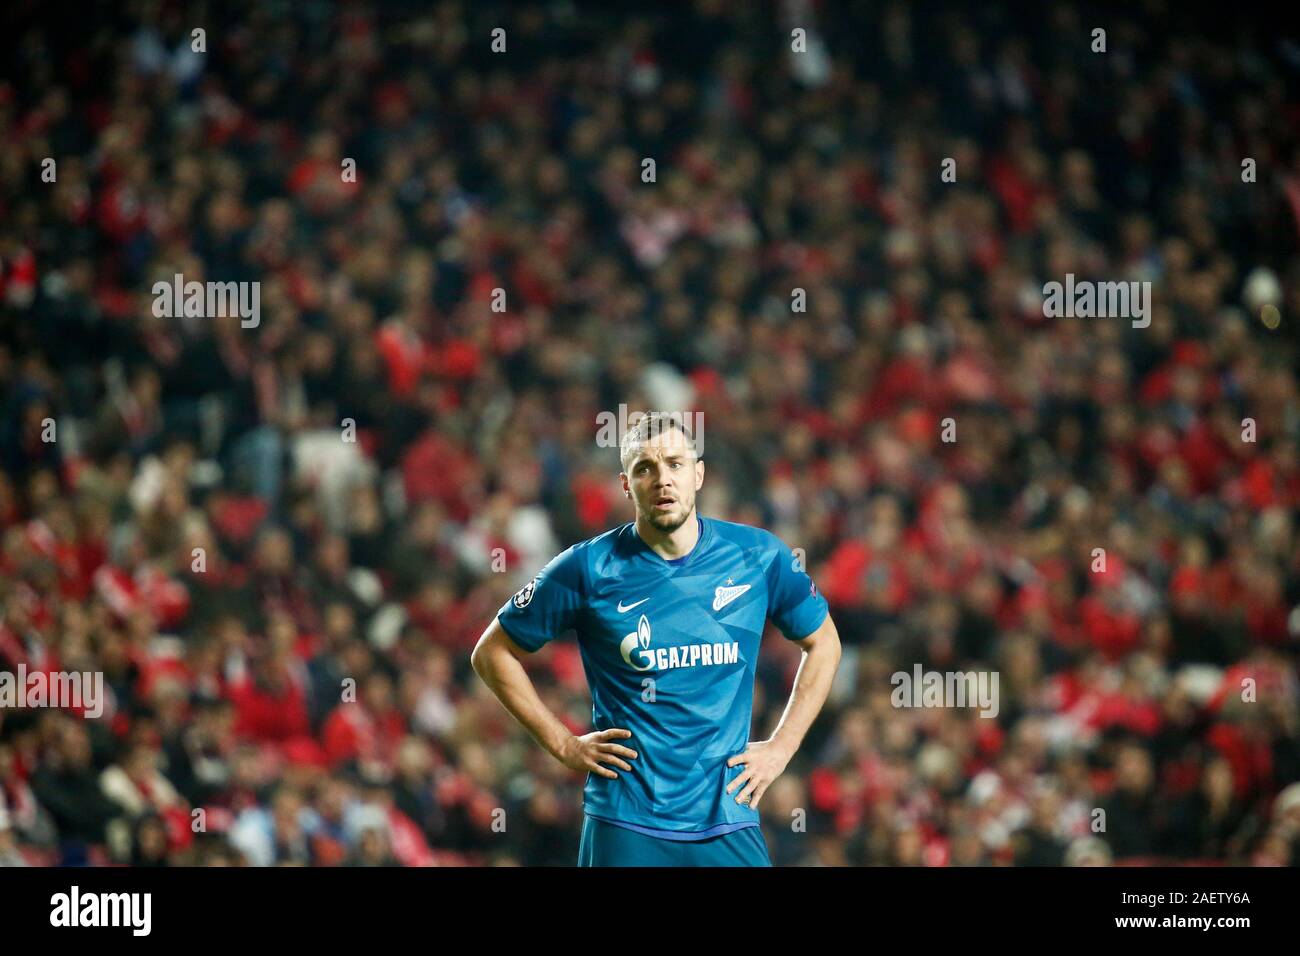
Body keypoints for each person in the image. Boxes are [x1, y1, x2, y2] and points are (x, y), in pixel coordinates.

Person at [471, 412, 842, 866]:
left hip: (727, 816)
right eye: (645, 468)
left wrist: (783, 746)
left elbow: (824, 641)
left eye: (675, 464)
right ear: (626, 484)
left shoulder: (757, 556)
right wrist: (563, 744)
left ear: (698, 474)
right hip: (627, 823)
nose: (662, 479)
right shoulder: (588, 568)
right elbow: (492, 652)